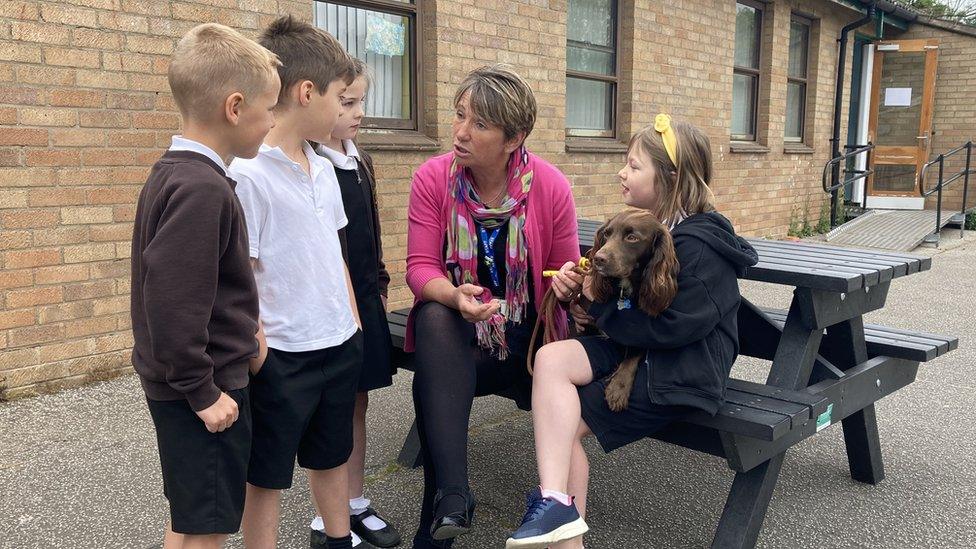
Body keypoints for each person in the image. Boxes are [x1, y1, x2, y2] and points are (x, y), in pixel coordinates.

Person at [506, 115, 760, 549]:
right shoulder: (651, 229)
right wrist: (581, 300)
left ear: (670, 178)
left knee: (560, 427)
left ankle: (564, 534)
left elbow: (670, 329)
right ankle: (554, 503)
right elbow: (625, 310)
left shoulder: (698, 244)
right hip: (637, 350)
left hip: (680, 372)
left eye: (634, 165)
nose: (622, 173)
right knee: (551, 359)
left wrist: (600, 306)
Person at [405, 64, 582, 548]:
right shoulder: (432, 178)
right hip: (464, 338)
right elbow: (419, 269)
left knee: (433, 383)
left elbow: (568, 272)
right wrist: (454, 295)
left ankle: (441, 513)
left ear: (514, 137)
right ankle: (454, 495)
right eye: (459, 115)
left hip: (528, 344)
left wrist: (567, 284)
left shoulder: (549, 186)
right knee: (436, 318)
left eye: (479, 124)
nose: (460, 132)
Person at [130, 23, 279, 549]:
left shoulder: (173, 174)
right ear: (235, 108)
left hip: (195, 383)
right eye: (269, 109)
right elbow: (169, 303)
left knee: (193, 515)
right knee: (208, 529)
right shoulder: (202, 190)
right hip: (204, 392)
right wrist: (203, 391)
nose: (271, 123)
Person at [228, 16, 362, 549]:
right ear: (307, 93)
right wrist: (262, 357)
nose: (344, 109)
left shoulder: (324, 167)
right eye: (339, 96)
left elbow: (335, 256)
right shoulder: (247, 176)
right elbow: (241, 279)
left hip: (337, 343)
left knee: (332, 457)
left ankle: (337, 538)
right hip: (281, 355)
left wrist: (351, 324)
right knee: (266, 474)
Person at [310, 58, 401, 549]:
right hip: (331, 308)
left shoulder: (358, 159)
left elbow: (371, 227)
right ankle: (327, 517)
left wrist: (382, 282)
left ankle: (354, 502)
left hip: (365, 299)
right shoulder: (312, 163)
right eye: (347, 103)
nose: (358, 112)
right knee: (332, 408)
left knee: (358, 404)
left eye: (361, 101)